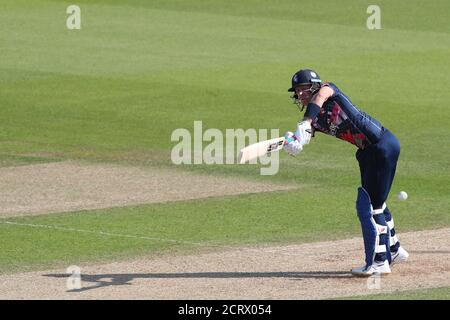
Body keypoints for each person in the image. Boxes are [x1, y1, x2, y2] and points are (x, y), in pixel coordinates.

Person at [283, 68, 409, 276]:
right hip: (369, 152)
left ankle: (379, 262)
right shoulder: (316, 119)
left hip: (381, 146)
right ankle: (394, 250)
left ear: (314, 86)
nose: (300, 95)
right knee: (377, 203)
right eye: (297, 91)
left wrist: (304, 123)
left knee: (369, 207)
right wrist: (292, 141)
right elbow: (305, 135)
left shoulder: (328, 90)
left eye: (304, 89)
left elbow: (321, 97)